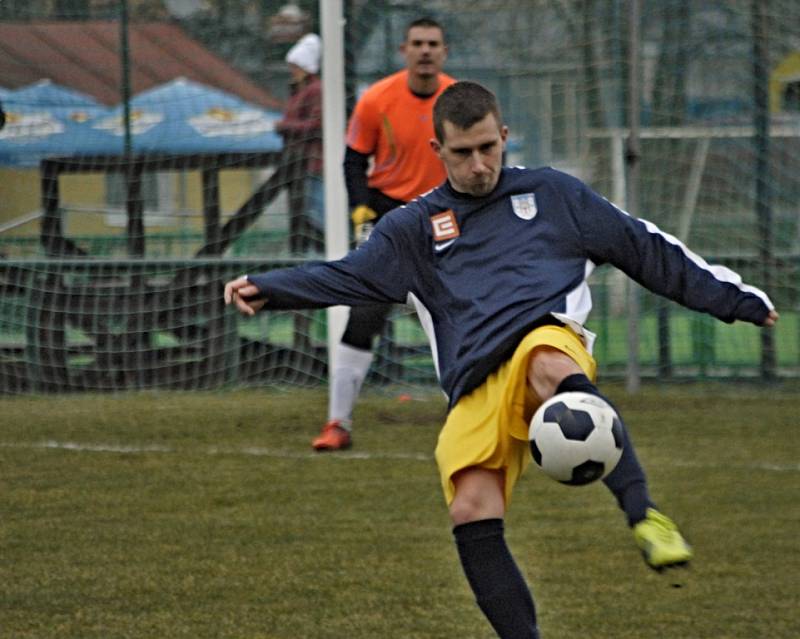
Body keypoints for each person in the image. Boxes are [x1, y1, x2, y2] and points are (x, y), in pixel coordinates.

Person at [225, 81, 779, 638]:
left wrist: (733, 300)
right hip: (474, 382)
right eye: (463, 153)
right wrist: (271, 287)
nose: (479, 164)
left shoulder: (554, 195)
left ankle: (645, 516)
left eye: (489, 147)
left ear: (505, 136)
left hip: (545, 338)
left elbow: (645, 247)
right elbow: (345, 274)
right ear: (438, 150)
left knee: (547, 364)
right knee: (471, 509)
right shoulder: (413, 230)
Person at [312, 16, 456, 451]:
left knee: (459, 318)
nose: (425, 50)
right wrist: (361, 207)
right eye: (417, 43)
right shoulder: (377, 99)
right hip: (392, 217)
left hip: (445, 218)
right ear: (403, 50)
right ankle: (337, 423)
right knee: (366, 314)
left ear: (444, 52)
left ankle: (471, 417)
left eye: (433, 43)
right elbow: (353, 160)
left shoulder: (458, 100)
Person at [275, 32, 324, 253]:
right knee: (302, 215)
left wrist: (285, 127)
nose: (292, 71)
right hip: (298, 164)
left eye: (295, 66)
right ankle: (304, 258)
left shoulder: (315, 90)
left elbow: (316, 124)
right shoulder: (299, 91)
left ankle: (318, 258)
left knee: (311, 216)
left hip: (311, 164)